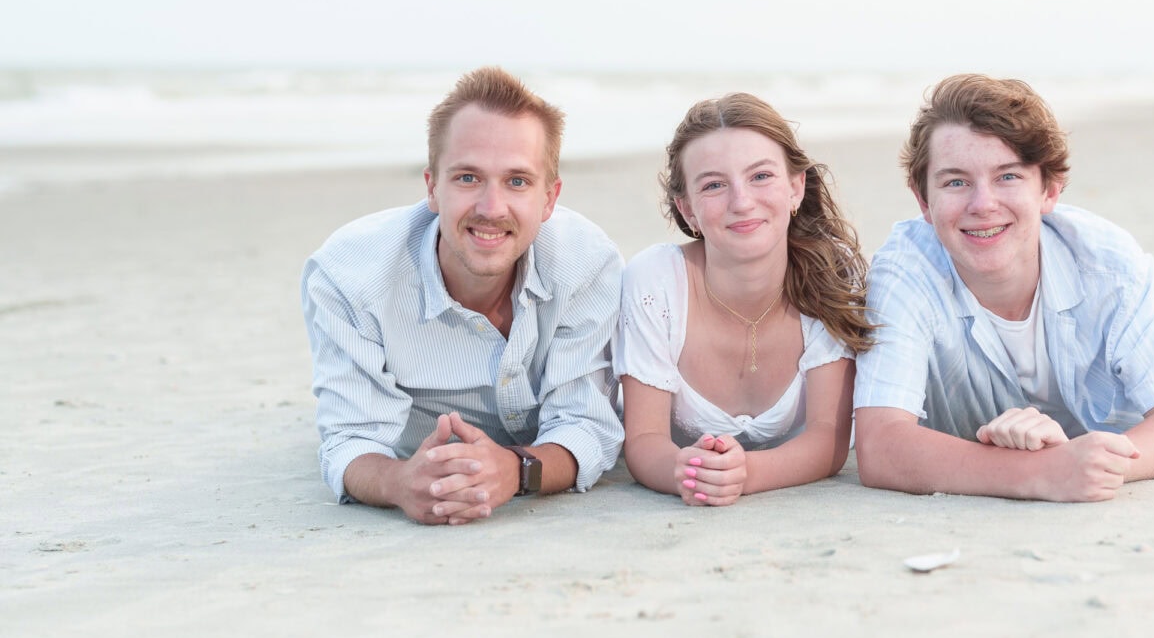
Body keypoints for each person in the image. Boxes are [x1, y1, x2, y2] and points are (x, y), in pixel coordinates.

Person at [854, 74, 1154, 502]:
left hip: (1108, 443)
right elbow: (880, 447)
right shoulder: (904, 273)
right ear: (923, 202)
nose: (982, 204)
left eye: (1008, 177)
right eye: (955, 182)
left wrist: (1091, 464)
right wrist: (1042, 472)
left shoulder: (1107, 263)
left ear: (1049, 190)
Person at [301, 67, 624, 524]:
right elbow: (351, 440)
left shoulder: (586, 263)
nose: (491, 209)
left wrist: (516, 470)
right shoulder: (348, 276)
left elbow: (587, 426)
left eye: (517, 181)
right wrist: (400, 483)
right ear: (432, 187)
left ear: (549, 199)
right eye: (468, 178)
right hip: (416, 453)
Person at [615, 94, 873, 505]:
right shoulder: (655, 281)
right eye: (714, 185)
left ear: (795, 187)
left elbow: (828, 439)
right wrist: (684, 471)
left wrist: (743, 473)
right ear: (688, 210)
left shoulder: (833, 273)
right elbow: (645, 440)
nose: (742, 201)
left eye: (760, 176)